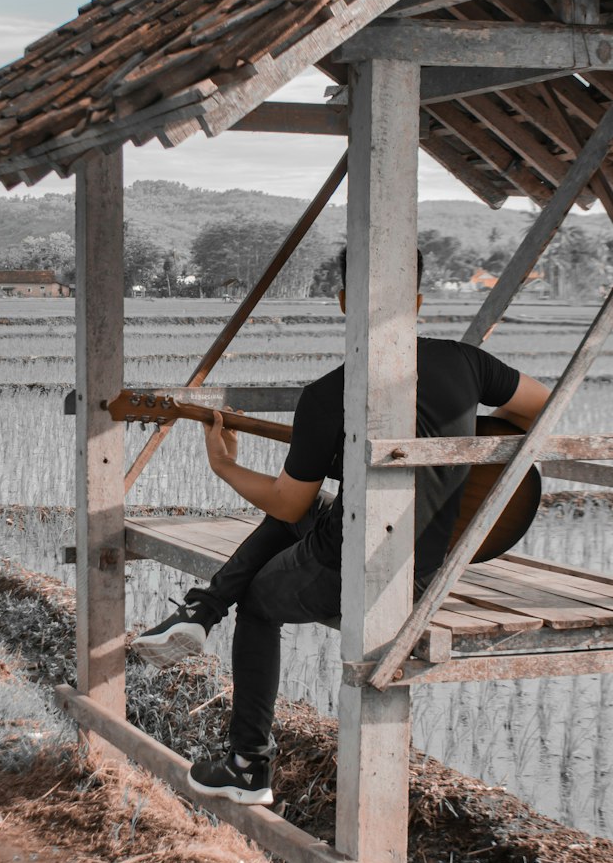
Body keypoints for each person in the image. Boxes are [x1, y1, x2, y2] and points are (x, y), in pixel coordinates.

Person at [133, 248, 549, 806]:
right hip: (429, 566)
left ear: (344, 303)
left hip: (353, 569)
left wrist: (224, 466)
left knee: (257, 603)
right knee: (314, 508)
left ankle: (247, 760)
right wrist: (471, 452)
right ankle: (201, 612)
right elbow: (544, 407)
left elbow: (284, 504)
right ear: (419, 301)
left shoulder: (330, 395)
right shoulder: (468, 364)